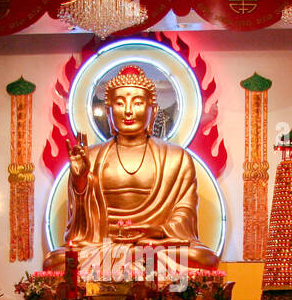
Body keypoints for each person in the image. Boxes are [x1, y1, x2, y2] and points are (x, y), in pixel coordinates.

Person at [43, 65, 219, 280]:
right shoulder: (90, 156)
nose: (128, 110)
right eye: (119, 103)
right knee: (56, 260)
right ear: (108, 111)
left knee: (204, 258)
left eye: (137, 102)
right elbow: (79, 231)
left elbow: (184, 213)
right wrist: (80, 182)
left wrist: (158, 230)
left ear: (152, 110)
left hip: (154, 245)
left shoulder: (177, 157)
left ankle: (133, 258)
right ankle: (133, 258)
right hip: (104, 245)